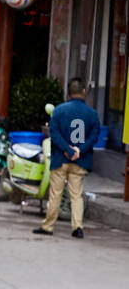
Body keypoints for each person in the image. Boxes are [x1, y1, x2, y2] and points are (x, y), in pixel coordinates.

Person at [34, 77, 101, 239]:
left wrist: (67, 149)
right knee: (76, 195)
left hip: (60, 159)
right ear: (84, 92)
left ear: (69, 92)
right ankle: (77, 227)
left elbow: (54, 133)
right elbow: (94, 134)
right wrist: (80, 149)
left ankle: (48, 226)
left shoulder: (59, 110)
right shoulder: (92, 114)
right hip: (80, 159)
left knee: (55, 193)